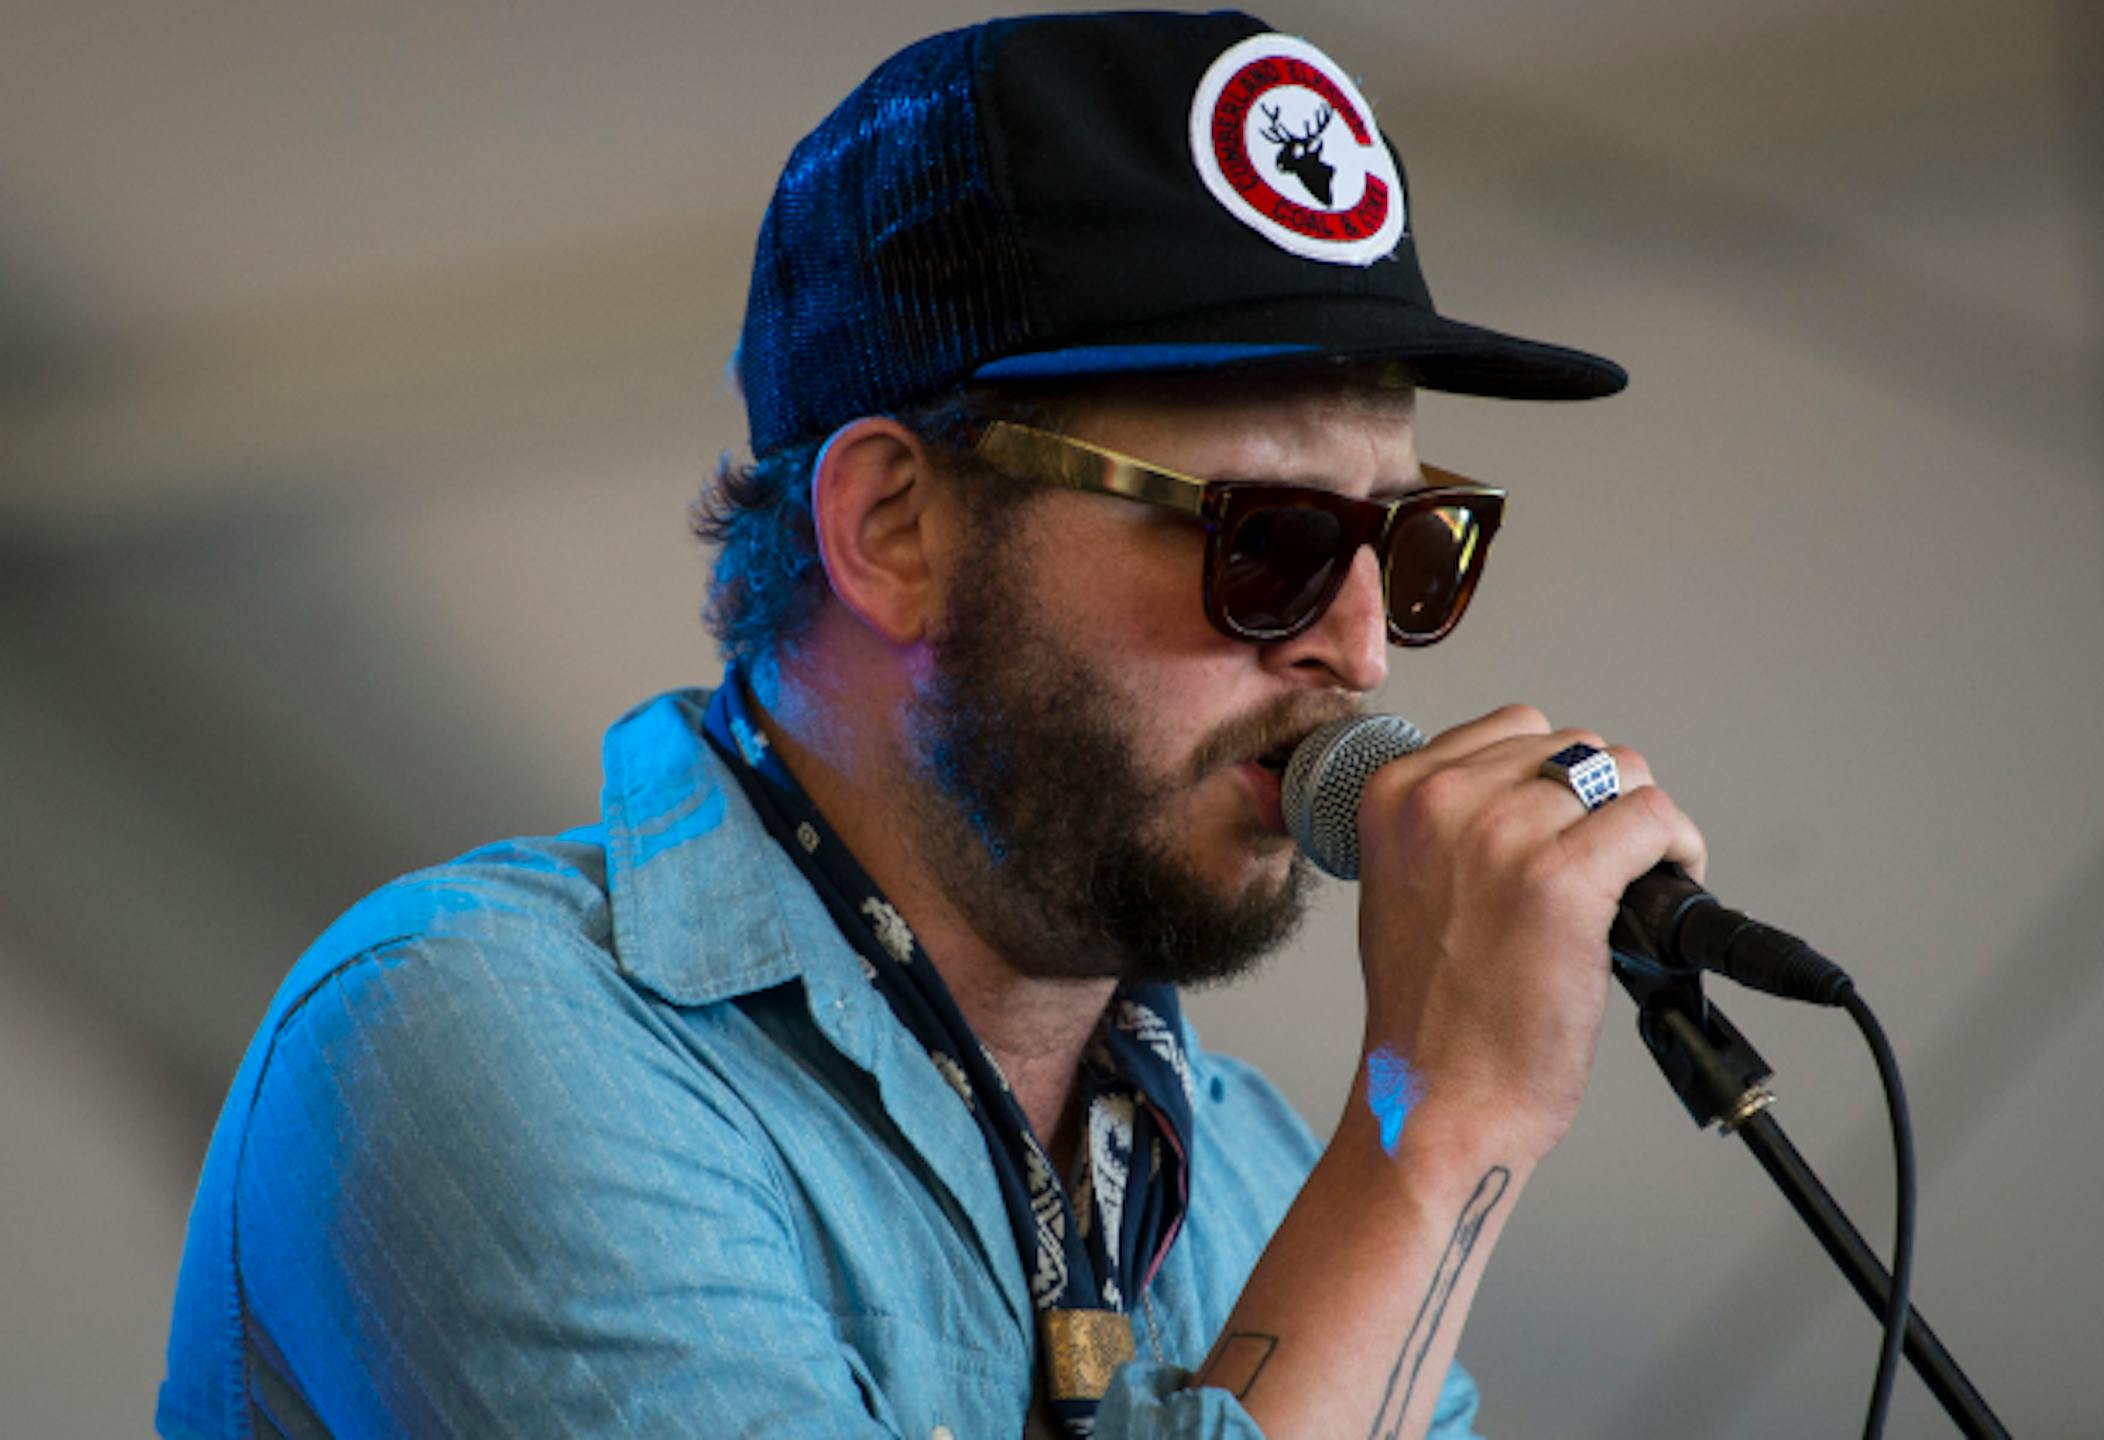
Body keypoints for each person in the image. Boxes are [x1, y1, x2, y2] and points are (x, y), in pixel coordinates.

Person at [159, 11, 1706, 1438]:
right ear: (895, 526)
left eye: (1414, 544)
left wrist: (1411, 1156)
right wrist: (1438, 1138)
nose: (1361, 646)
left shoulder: (1256, 1174)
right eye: (1271, 541)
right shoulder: (474, 1032)